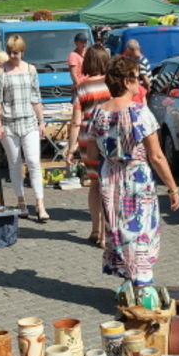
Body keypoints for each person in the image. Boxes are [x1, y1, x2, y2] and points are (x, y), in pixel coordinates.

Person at [84, 55, 179, 294]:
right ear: (127, 81)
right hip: (135, 179)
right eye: (137, 78)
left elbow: (93, 153)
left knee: (119, 230)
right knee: (140, 232)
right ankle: (143, 288)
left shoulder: (98, 113)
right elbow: (157, 156)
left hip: (110, 179)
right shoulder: (140, 112)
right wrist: (173, 187)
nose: (140, 82)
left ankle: (128, 282)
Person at [0, 35, 50, 221]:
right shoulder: (0, 72)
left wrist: (41, 121)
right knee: (15, 164)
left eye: (15, 52)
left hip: (29, 121)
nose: (12, 56)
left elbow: (36, 97)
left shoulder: (31, 69)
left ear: (22, 51)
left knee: (33, 162)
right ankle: (21, 201)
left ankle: (40, 204)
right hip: (9, 123)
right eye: (10, 52)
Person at [67, 45, 112, 246]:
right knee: (108, 186)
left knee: (95, 184)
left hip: (88, 139)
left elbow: (76, 121)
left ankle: (96, 230)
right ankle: (105, 234)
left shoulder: (82, 88)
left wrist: (71, 147)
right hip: (110, 137)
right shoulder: (112, 85)